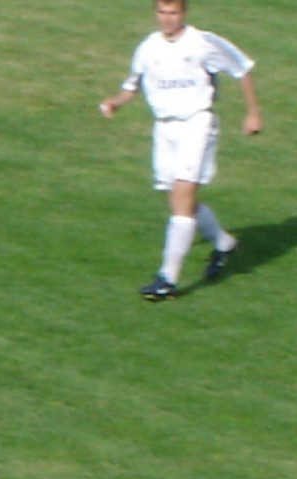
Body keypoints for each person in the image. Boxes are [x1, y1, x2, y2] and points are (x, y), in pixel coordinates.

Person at [99, 0, 262, 300]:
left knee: (183, 198)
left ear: (183, 13)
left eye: (173, 12)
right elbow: (133, 84)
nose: (167, 19)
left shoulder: (202, 42)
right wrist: (116, 103)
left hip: (196, 124)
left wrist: (253, 113)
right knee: (177, 200)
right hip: (164, 129)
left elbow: (242, 68)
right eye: (162, 12)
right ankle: (224, 243)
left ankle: (167, 279)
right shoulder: (148, 47)